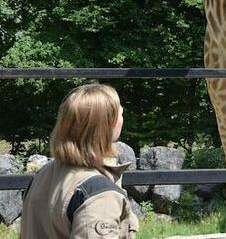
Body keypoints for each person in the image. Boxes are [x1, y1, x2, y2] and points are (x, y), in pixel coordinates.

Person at [21, 83, 138, 239]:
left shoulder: (44, 174)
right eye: (120, 113)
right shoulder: (99, 195)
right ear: (106, 125)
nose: (122, 116)